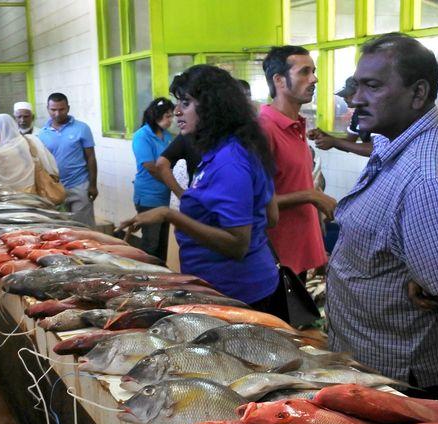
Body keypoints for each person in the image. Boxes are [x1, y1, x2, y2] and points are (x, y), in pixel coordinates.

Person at [326, 33, 438, 406]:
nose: (357, 98)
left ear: (418, 93)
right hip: (368, 360)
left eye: (372, 86)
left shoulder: (426, 177)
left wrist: (428, 282)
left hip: (399, 380)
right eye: (357, 85)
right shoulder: (396, 141)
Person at [118, 65, 282, 316]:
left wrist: (170, 215)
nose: (177, 111)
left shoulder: (229, 163)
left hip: (236, 293)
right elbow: (271, 217)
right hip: (228, 284)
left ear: (212, 106)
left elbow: (238, 244)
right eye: (177, 102)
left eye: (186, 102)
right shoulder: (229, 150)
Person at [259, 45, 335, 279]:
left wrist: (317, 249)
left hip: (300, 256)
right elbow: (257, 202)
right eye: (304, 72)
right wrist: (310, 195)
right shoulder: (264, 128)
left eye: (313, 71)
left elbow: (296, 185)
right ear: (279, 80)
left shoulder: (296, 125)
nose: (314, 79)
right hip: (276, 260)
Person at [38, 92, 98, 225]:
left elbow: (91, 157)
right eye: (53, 110)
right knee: (60, 228)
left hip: (80, 185)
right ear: (47, 109)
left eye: (61, 109)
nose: (57, 114)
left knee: (83, 226)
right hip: (54, 187)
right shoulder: (41, 134)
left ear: (68, 108)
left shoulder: (82, 128)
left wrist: (93, 185)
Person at [131, 97, 175, 260]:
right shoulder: (142, 136)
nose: (171, 120)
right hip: (149, 197)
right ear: (156, 116)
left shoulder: (168, 136)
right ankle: (147, 278)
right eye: (167, 116)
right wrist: (173, 184)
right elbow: (151, 167)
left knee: (163, 242)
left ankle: (162, 276)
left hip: (165, 197)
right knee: (151, 243)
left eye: (171, 116)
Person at [0, 113, 59, 194]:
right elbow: (51, 165)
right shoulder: (31, 139)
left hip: (20, 197)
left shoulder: (2, 153)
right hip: (42, 192)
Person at [310, 77, 373, 158]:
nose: (344, 99)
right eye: (344, 96)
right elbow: (349, 142)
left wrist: (334, 142)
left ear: (361, 93)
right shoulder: (358, 114)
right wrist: (325, 136)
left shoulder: (377, 114)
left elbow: (376, 149)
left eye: (348, 95)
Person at [154, 131, 202, 199]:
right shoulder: (186, 134)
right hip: (200, 198)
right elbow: (161, 164)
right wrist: (180, 194)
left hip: (197, 198)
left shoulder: (182, 134)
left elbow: (161, 164)